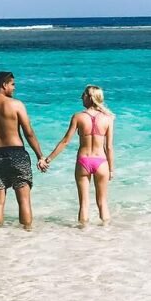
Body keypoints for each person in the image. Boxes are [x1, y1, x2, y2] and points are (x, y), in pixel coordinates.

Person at [0, 71, 47, 228]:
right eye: (12, 84)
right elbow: (29, 133)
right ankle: (27, 234)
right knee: (24, 201)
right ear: (4, 85)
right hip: (17, 155)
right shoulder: (16, 105)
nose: (14, 88)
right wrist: (40, 155)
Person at [40, 85, 116, 225]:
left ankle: (82, 235)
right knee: (102, 202)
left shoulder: (78, 117)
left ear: (90, 97)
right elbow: (109, 147)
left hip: (83, 161)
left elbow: (65, 141)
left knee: (84, 204)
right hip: (101, 162)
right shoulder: (108, 119)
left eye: (83, 95)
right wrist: (111, 169)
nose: (81, 97)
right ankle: (106, 234)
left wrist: (48, 159)